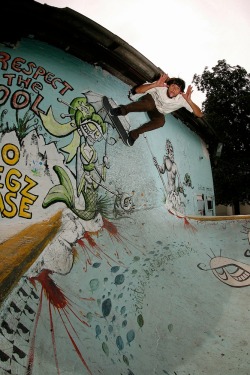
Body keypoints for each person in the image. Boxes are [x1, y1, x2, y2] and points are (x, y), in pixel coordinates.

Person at [109, 73, 203, 146]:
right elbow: (138, 90)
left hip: (158, 112)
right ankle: (122, 110)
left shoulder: (182, 100)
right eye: (173, 86)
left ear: (180, 92)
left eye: (177, 88)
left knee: (160, 122)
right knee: (149, 105)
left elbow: (199, 114)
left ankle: (134, 134)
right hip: (150, 101)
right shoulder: (161, 86)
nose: (173, 90)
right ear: (168, 85)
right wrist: (154, 85)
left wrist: (189, 101)